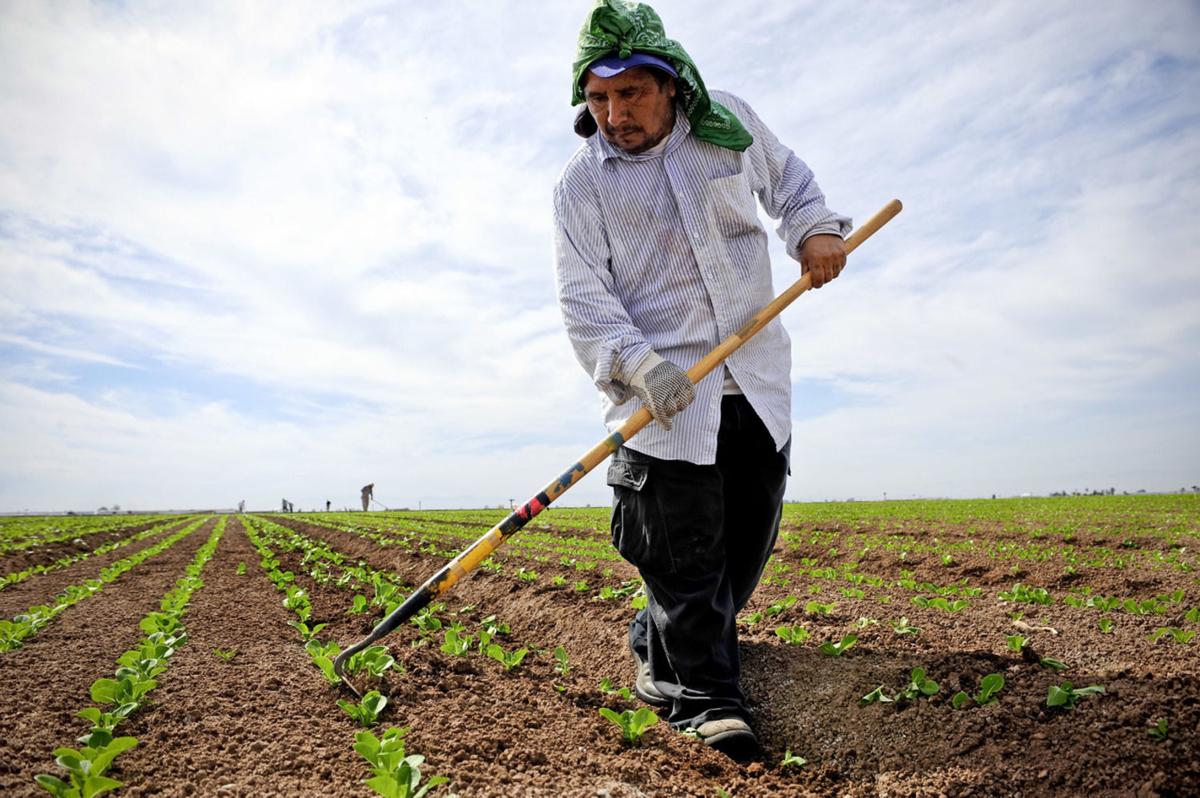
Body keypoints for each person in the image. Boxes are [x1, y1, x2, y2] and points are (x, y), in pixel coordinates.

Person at [553, 0, 850, 759]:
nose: (615, 114)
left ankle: (664, 647)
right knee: (684, 559)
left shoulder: (727, 127)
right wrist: (640, 366)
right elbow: (585, 301)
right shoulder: (581, 186)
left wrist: (814, 230)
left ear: (671, 83)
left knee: (742, 550)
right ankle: (704, 699)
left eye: (631, 94)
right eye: (598, 98)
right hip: (662, 403)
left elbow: (790, 182)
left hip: (753, 384)